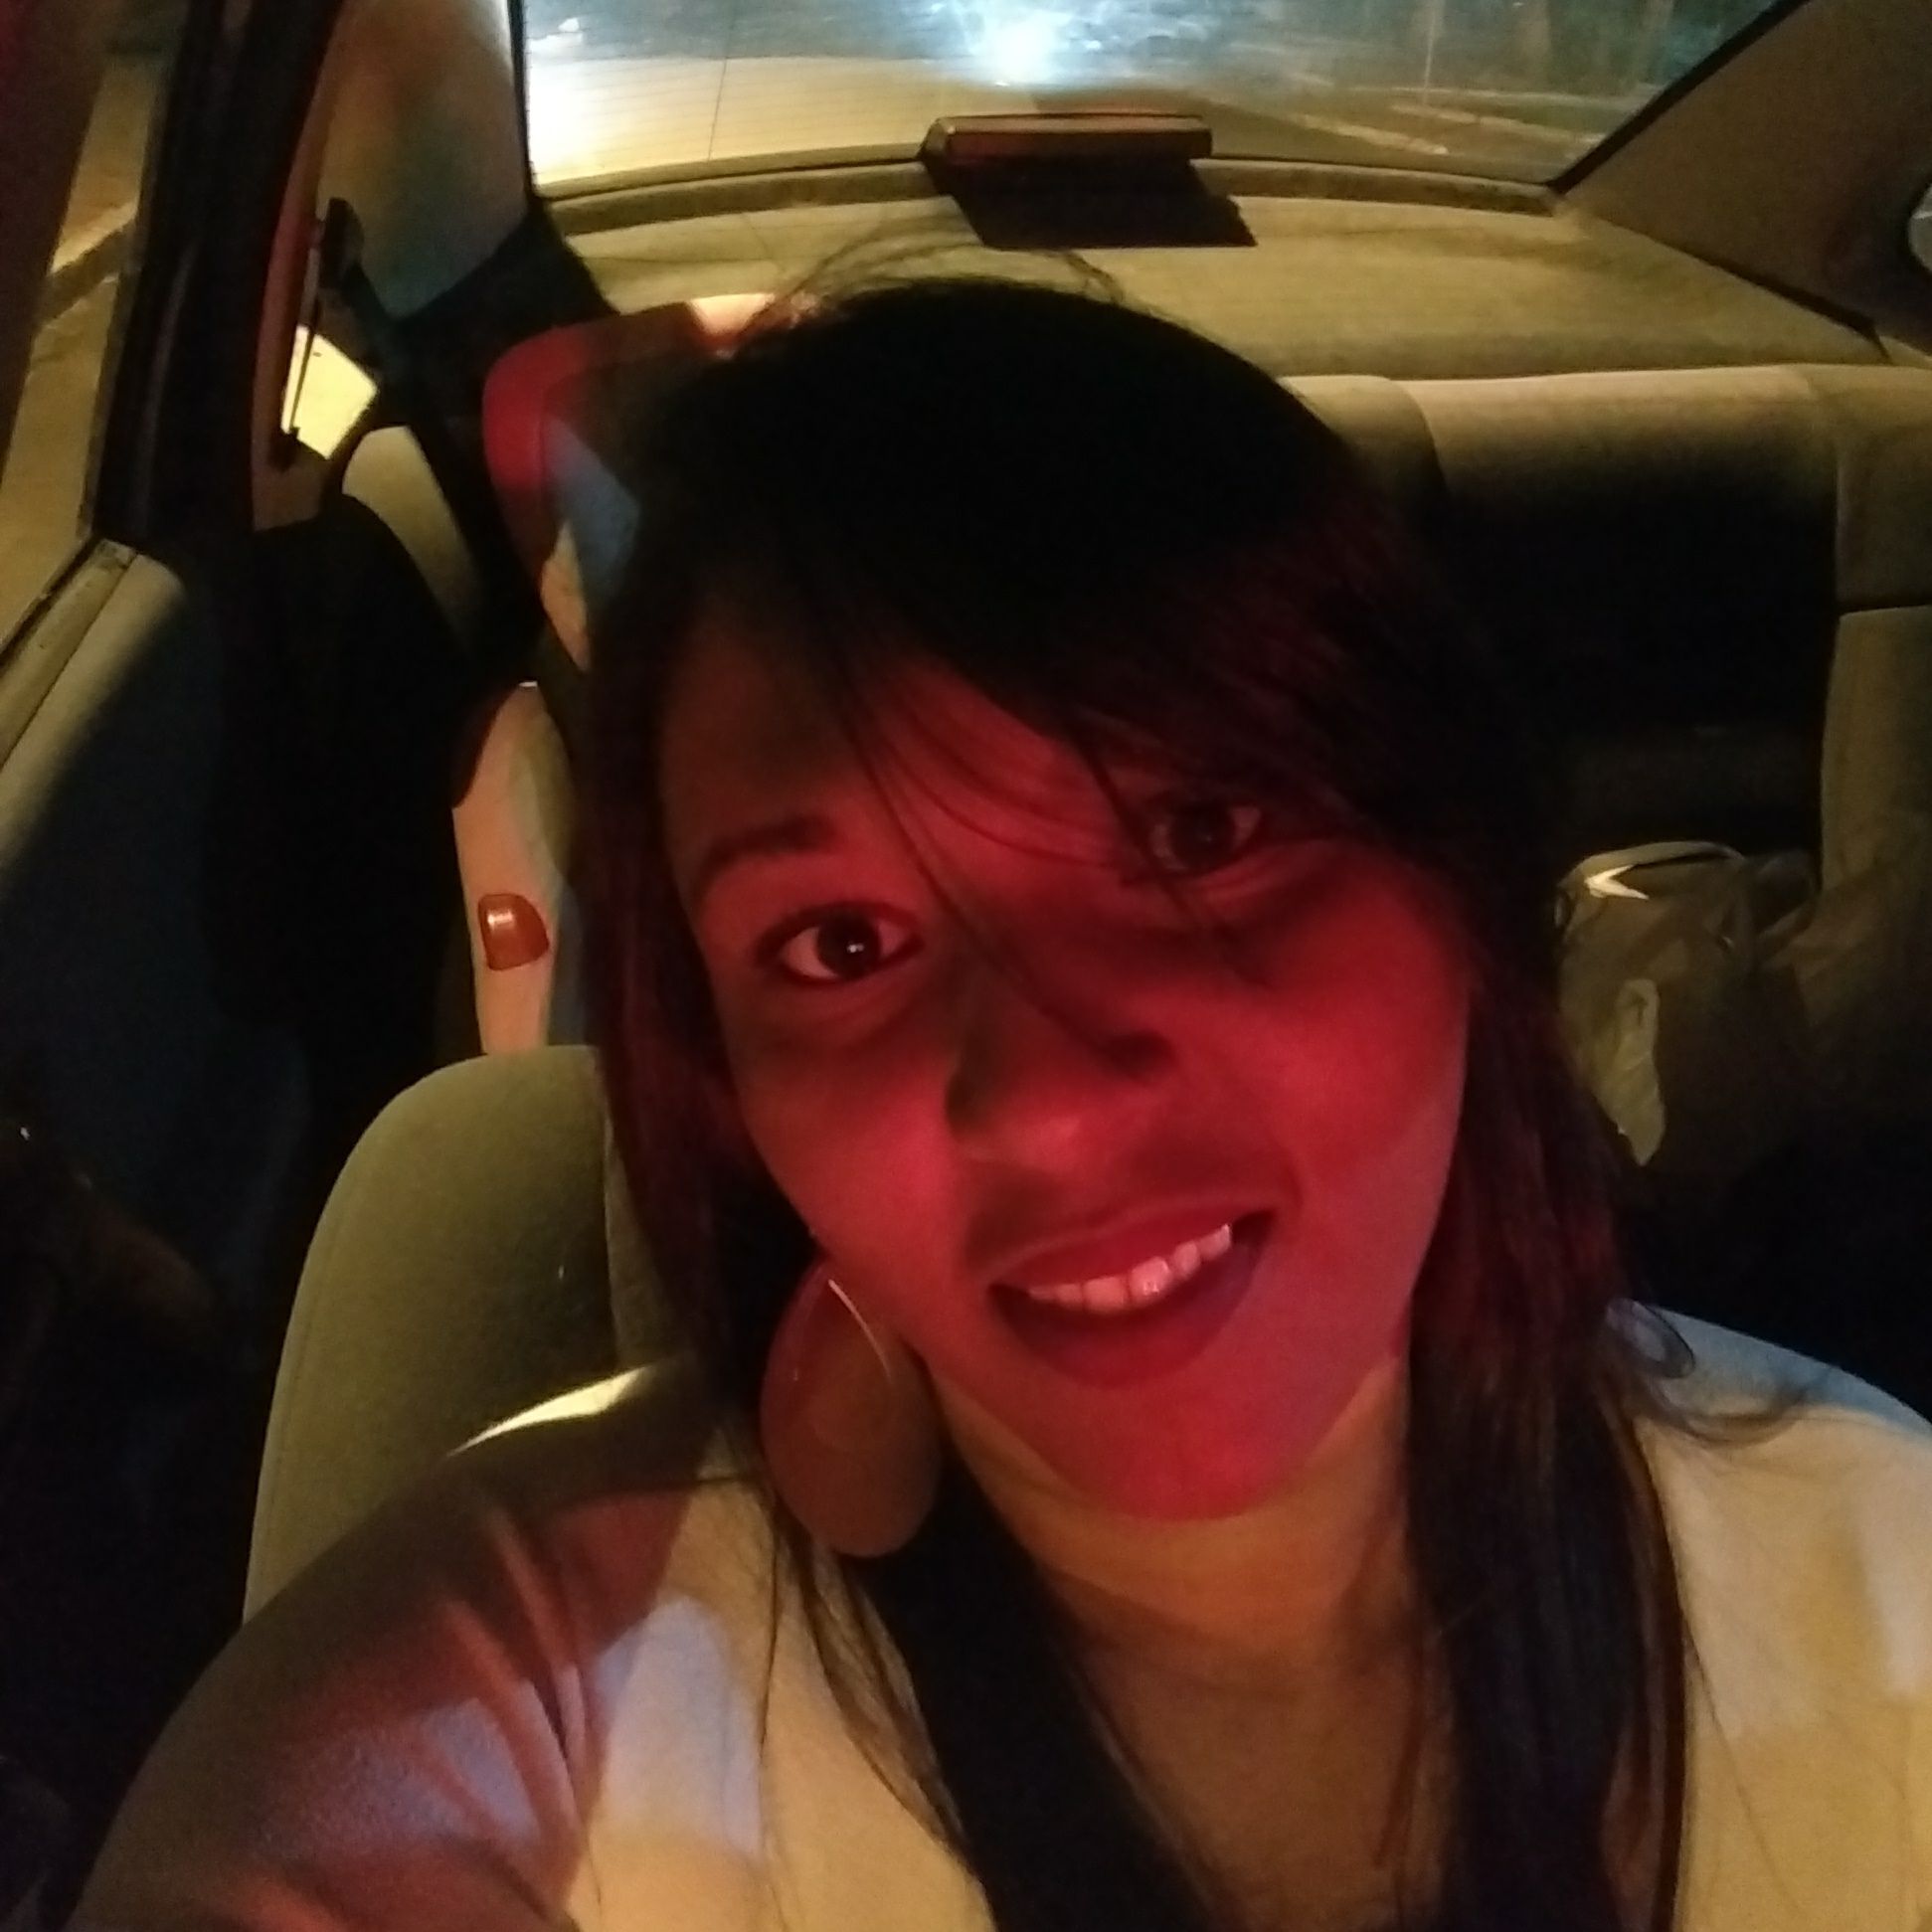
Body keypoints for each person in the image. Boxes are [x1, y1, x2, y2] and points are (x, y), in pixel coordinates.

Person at [76, 279, 1932, 1932]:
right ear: (724, 1075)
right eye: (841, 943)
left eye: (1196, 831)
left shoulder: (1885, 1576)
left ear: (1463, 877)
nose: (1046, 1104)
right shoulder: (500, 1725)